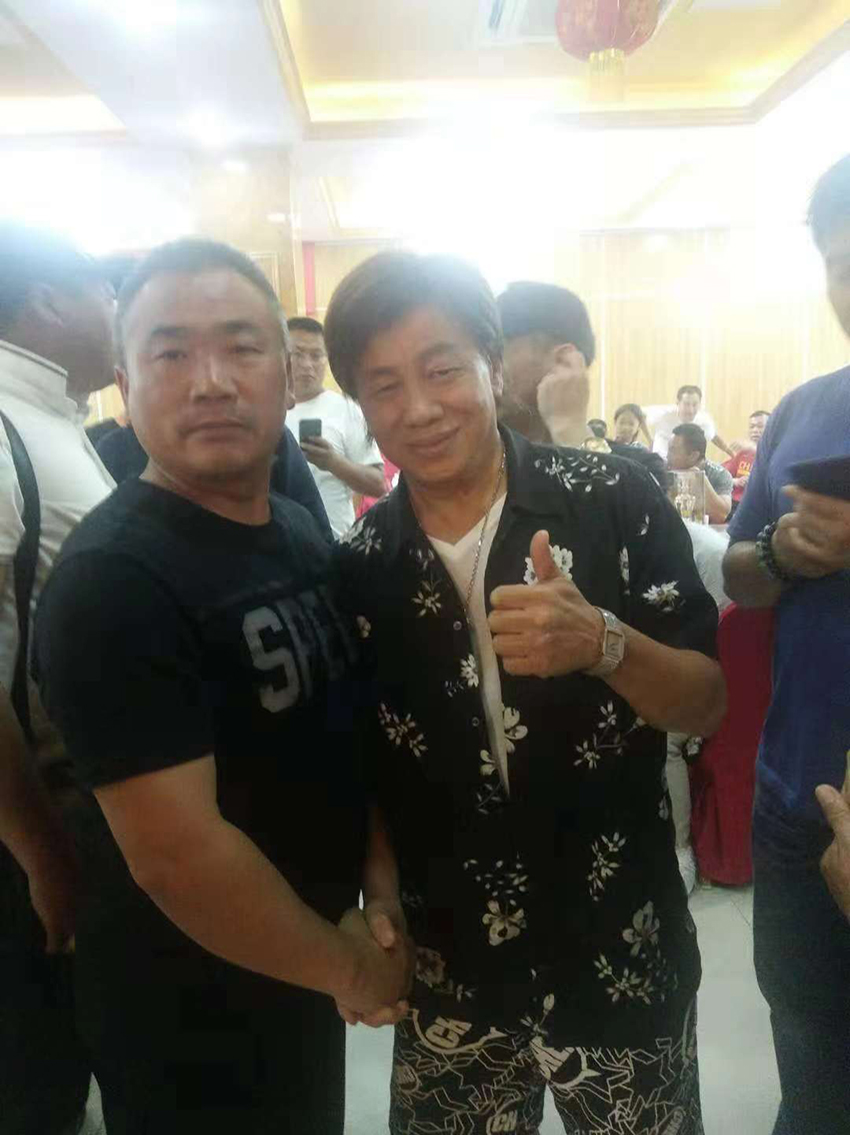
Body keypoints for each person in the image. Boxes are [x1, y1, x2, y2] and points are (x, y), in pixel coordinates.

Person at [327, 251, 725, 1134]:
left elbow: (706, 702)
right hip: (453, 969)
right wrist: (377, 899)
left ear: (493, 365)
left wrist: (605, 643)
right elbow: (369, 769)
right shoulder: (358, 568)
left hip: (621, 950)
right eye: (384, 386)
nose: (419, 408)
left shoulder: (613, 500)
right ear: (360, 404)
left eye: (442, 370)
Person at [32, 239, 411, 1135]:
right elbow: (180, 857)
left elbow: (344, 733)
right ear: (124, 385)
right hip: (185, 1009)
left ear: (286, 375)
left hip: (299, 969)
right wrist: (354, 970)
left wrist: (380, 898)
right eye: (170, 353)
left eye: (241, 347)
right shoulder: (113, 579)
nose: (210, 382)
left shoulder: (297, 531)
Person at [722, 154, 850, 1135]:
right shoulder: (805, 410)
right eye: (845, 266)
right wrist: (781, 551)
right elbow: (737, 574)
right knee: (809, 1060)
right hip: (794, 800)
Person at [0, 222, 116, 1135]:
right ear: (47, 298)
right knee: (34, 1086)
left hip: (79, 819)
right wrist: (43, 856)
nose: (121, 315)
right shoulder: (4, 430)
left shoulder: (55, 419)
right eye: (108, 295)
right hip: (29, 837)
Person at [496, 281, 667, 485]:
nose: (480, 371)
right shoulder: (473, 466)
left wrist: (571, 433)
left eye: (496, 352)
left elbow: (621, 504)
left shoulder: (642, 470)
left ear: (564, 362)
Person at [96, 412, 333, 542]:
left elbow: (318, 531)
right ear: (126, 384)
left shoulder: (270, 435)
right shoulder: (113, 449)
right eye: (172, 356)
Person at [284, 316, 386, 537]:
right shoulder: (265, 410)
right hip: (280, 545)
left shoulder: (346, 408)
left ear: (327, 360)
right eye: (298, 354)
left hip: (335, 542)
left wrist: (332, 462)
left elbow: (378, 485)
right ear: (281, 355)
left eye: (316, 355)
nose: (307, 364)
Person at [668, 423, 733, 524]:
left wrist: (700, 480)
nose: (667, 455)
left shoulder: (719, 474)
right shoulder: (664, 469)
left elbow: (721, 515)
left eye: (672, 450)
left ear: (693, 456)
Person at [648, 385, 733, 461]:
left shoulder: (704, 420)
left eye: (694, 404)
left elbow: (714, 437)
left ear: (699, 404)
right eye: (686, 404)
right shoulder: (663, 414)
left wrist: (732, 454)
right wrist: (650, 440)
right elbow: (640, 415)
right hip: (660, 461)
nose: (690, 410)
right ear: (677, 403)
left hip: (687, 464)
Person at [723, 410, 771, 514]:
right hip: (735, 503)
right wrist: (736, 481)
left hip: (759, 506)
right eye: (752, 427)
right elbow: (722, 476)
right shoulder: (744, 453)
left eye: (760, 426)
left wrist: (753, 447)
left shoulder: (774, 453)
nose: (755, 430)